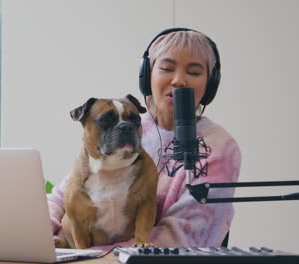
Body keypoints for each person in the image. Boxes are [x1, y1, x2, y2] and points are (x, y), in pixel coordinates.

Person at [47, 28, 241, 249]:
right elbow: (61, 199)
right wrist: (38, 240)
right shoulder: (131, 128)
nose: (179, 80)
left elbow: (185, 237)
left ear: (210, 84)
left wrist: (96, 256)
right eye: (167, 68)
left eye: (194, 73)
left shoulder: (219, 147)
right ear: (147, 77)